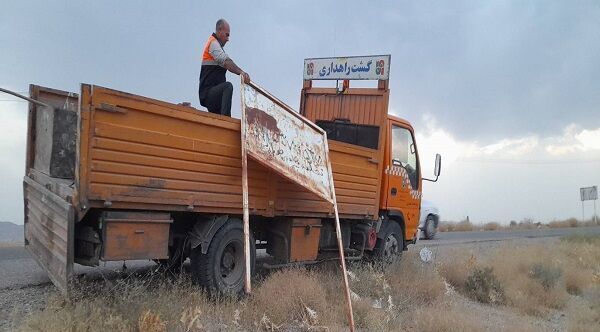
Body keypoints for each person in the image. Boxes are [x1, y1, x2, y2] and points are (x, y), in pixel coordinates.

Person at [198, 18, 251, 116]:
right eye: (227, 35)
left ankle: (221, 121)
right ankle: (226, 120)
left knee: (216, 122)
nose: (228, 39)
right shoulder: (213, 43)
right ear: (219, 30)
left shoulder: (217, 46)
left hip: (215, 95)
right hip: (208, 93)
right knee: (227, 87)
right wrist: (241, 72)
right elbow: (226, 62)